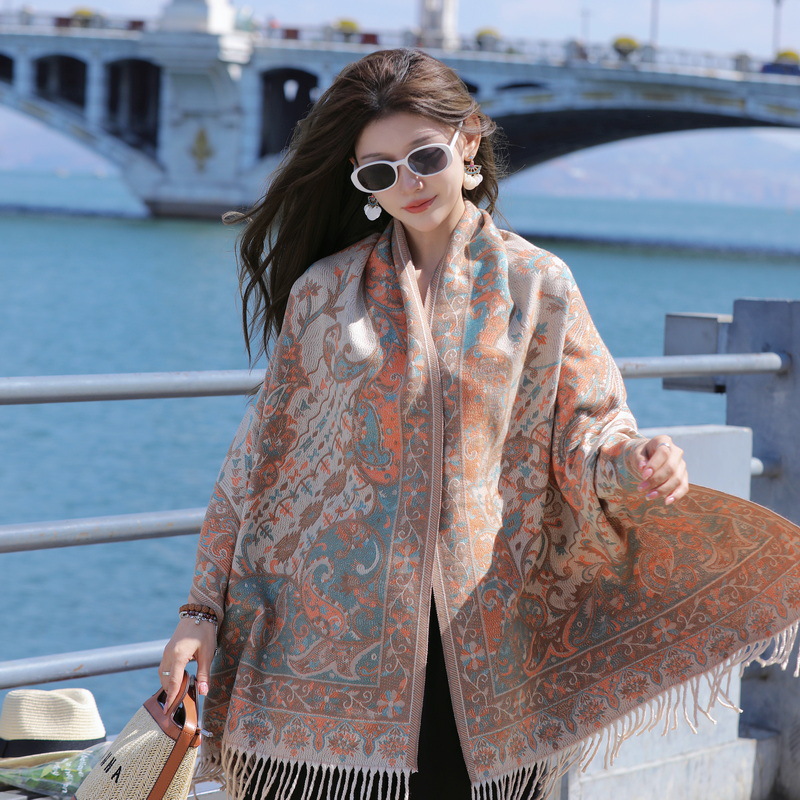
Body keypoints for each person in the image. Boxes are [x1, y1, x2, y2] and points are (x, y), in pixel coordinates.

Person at [159, 48, 800, 800]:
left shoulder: (538, 284)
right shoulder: (323, 295)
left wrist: (640, 460)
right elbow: (255, 468)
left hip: (483, 647)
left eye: (425, 156)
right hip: (323, 655)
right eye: (380, 172)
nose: (408, 183)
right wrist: (200, 612)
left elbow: (588, 429)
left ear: (468, 143)